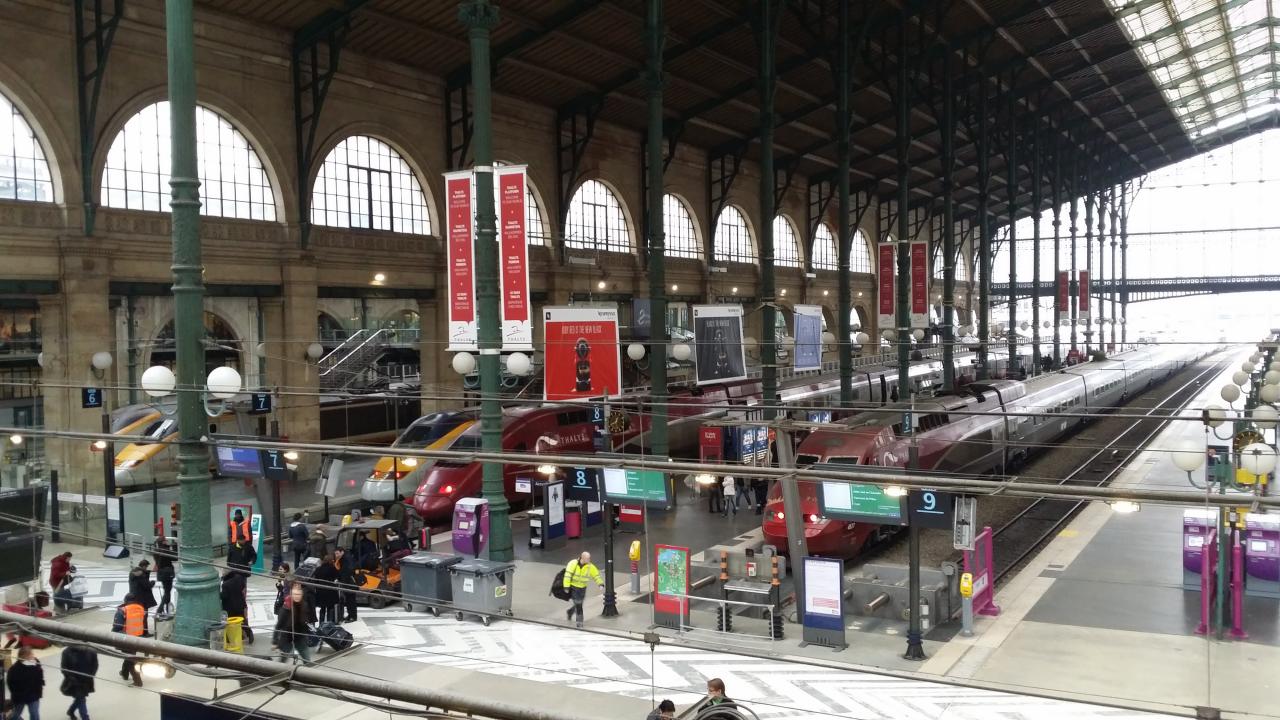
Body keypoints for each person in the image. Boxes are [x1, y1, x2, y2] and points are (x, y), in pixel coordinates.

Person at [274, 582, 313, 664]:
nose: (297, 596)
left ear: (302, 595)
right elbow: (278, 625)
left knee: (307, 660)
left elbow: (306, 620)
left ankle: (308, 675)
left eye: (298, 594)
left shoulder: (304, 605)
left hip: (300, 637)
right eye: (295, 594)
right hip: (287, 637)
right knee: (283, 660)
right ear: (291, 594)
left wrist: (309, 630)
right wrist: (275, 641)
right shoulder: (286, 608)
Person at [561, 552, 603, 629]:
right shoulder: (573, 563)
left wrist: (600, 584)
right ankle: (579, 623)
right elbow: (568, 575)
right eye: (588, 558)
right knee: (579, 604)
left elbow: (596, 575)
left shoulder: (590, 566)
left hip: (583, 588)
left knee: (579, 603)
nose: (589, 560)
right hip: (573, 587)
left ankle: (570, 612)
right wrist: (566, 587)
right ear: (582, 558)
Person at [112, 593, 145, 687]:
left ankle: (138, 681)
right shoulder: (141, 609)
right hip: (137, 637)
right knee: (129, 656)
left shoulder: (122, 611)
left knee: (130, 659)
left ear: (125, 600)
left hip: (125, 638)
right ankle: (124, 673)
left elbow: (117, 627)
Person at [60, 643, 98, 720]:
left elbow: (95, 665)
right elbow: (64, 668)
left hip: (86, 681)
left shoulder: (91, 651)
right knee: (81, 699)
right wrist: (71, 678)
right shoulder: (67, 652)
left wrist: (91, 675)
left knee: (79, 699)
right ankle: (85, 718)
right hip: (74, 682)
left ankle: (71, 711)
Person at [6, 647, 43, 720]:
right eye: (31, 654)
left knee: (34, 714)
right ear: (24, 656)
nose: (33, 656)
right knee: (16, 714)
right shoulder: (14, 669)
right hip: (20, 697)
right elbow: (10, 683)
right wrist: (17, 693)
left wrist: (39, 689)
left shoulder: (36, 663)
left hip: (33, 695)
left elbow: (40, 677)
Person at [220, 570, 251, 643]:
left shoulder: (225, 584)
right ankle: (249, 634)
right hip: (240, 603)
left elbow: (224, 596)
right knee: (243, 620)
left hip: (229, 607)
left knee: (229, 622)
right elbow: (243, 586)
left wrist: (219, 594)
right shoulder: (239, 578)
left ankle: (229, 638)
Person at [311, 554, 340, 624]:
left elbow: (315, 580)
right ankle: (329, 624)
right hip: (330, 592)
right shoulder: (332, 568)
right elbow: (337, 577)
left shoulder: (318, 569)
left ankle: (321, 623)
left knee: (322, 609)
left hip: (320, 592)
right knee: (330, 608)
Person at [152, 535, 177, 611]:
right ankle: (161, 608)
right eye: (166, 540)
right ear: (163, 542)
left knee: (167, 590)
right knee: (167, 591)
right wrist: (174, 547)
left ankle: (166, 607)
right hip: (167, 573)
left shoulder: (156, 550)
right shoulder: (165, 550)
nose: (167, 541)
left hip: (161, 573)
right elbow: (175, 557)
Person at [334, 548, 359, 623]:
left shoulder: (347, 559)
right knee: (348, 600)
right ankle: (350, 615)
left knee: (351, 600)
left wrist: (340, 578)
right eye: (335, 554)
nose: (336, 555)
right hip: (347, 583)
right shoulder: (343, 558)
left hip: (350, 583)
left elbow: (347, 570)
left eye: (337, 553)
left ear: (342, 552)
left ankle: (353, 616)